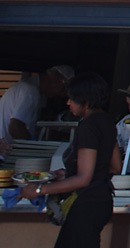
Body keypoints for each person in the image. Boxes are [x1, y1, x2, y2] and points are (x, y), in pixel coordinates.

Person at [18, 72, 121, 248]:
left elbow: (84, 179)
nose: (68, 103)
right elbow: (115, 167)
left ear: (85, 101)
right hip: (103, 201)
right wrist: (67, 174)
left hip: (86, 204)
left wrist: (39, 190)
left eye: (72, 99)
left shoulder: (88, 127)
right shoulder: (107, 122)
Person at [0, 65, 73, 144]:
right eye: (63, 88)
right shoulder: (31, 92)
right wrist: (33, 145)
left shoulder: (23, 87)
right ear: (56, 79)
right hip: (8, 148)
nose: (61, 94)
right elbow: (15, 127)